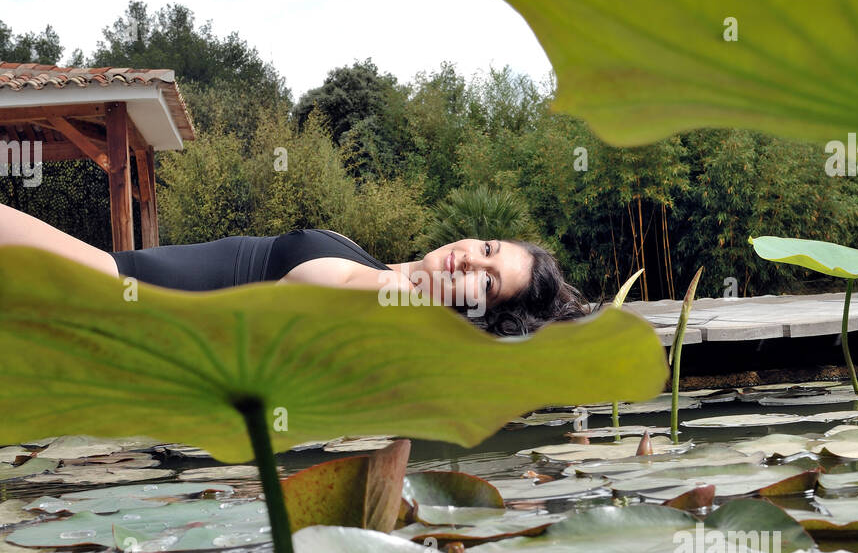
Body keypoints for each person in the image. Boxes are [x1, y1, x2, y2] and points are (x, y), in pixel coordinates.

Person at [0, 202, 589, 335]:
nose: (470, 257)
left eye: (486, 280)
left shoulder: (390, 294)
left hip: (117, 298)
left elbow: (302, 290)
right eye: (486, 247)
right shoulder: (386, 270)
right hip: (116, 278)